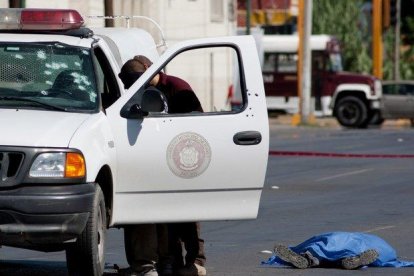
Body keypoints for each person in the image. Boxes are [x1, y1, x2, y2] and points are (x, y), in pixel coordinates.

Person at [118, 55, 206, 276]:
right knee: (164, 216)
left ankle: (196, 262)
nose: (136, 85)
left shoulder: (177, 87)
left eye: (138, 79)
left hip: (180, 156)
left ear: (150, 68)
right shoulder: (137, 91)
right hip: (153, 160)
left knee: (185, 215)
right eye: (131, 83)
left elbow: (197, 122)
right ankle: (170, 262)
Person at [263, 231, 414, 270]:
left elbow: (319, 238)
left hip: (328, 245)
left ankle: (306, 260)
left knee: (316, 252)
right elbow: (388, 255)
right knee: (346, 259)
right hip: (350, 250)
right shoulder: (373, 241)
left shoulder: (345, 235)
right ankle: (353, 262)